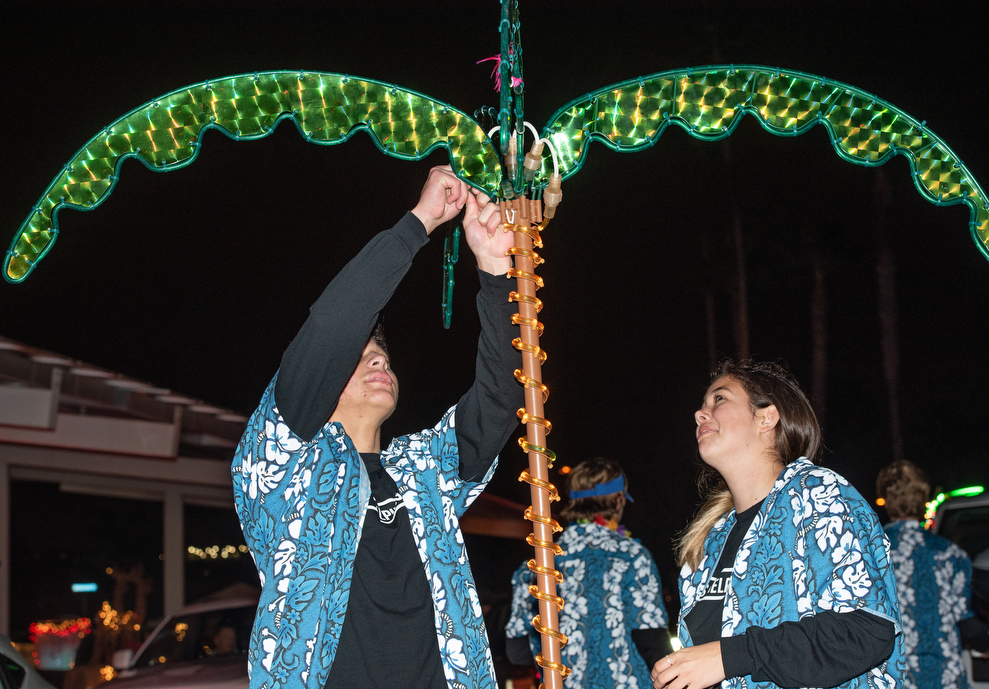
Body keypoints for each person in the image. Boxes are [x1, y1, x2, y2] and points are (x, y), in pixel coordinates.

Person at [231, 165, 522, 689]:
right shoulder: (282, 465)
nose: (379, 363)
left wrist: (496, 271)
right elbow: (330, 327)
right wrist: (420, 223)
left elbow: (500, 400)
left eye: (383, 355)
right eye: (360, 357)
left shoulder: (426, 469)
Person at [652, 359, 905, 689]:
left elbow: (866, 630)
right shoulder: (711, 542)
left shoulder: (815, 492)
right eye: (701, 406)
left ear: (767, 417)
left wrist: (730, 656)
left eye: (719, 399)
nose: (701, 414)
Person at [506, 457, 673, 688]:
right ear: (617, 502)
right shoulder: (631, 556)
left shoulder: (536, 567)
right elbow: (651, 640)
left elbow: (518, 652)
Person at [876, 460, 989, 689]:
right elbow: (966, 619)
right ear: (923, 498)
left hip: (893, 679)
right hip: (943, 678)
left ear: (886, 500)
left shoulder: (871, 554)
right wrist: (983, 644)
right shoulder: (950, 555)